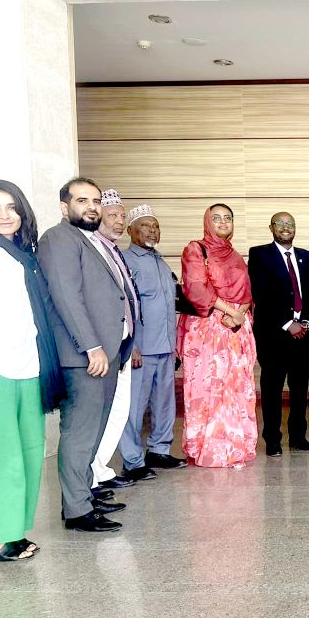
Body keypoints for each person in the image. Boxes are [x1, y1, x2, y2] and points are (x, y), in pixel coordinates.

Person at [0, 180, 65, 561]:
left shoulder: (20, 251)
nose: (4, 215)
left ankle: (11, 529)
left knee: (28, 448)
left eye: (11, 207)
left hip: (27, 361)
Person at [38, 177, 136, 532]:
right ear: (65, 207)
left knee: (93, 432)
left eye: (95, 200)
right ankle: (77, 510)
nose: (92, 206)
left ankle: (83, 493)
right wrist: (92, 346)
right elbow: (67, 297)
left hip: (107, 354)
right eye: (82, 200)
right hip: (85, 357)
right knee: (80, 433)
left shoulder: (88, 240)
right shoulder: (58, 239)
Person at [178, 203, 257, 468]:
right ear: (207, 222)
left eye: (228, 218)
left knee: (235, 387)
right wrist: (229, 311)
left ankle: (236, 444)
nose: (223, 222)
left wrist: (240, 312)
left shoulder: (234, 255)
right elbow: (196, 288)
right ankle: (210, 446)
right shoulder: (195, 249)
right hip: (208, 330)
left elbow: (248, 291)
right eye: (217, 218)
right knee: (209, 386)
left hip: (236, 328)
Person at [119, 204, 187, 478]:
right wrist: (131, 345)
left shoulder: (161, 261)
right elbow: (122, 306)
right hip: (141, 349)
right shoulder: (125, 261)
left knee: (164, 404)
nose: (152, 231)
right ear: (130, 230)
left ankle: (159, 450)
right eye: (146, 226)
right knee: (135, 407)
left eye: (156, 226)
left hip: (165, 348)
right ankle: (133, 461)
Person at [248, 212, 309, 456]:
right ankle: (273, 440)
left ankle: (298, 437)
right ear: (271, 228)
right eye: (281, 224)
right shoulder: (259, 254)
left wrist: (307, 323)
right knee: (272, 390)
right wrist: (288, 323)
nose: (286, 228)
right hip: (274, 335)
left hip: (303, 336)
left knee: (299, 389)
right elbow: (261, 295)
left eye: (290, 224)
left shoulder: (307, 257)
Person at [88, 190, 143, 491]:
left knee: (119, 410)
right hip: (103, 348)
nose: (119, 221)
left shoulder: (113, 250)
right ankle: (91, 477)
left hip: (122, 344)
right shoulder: (94, 249)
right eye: (113, 215)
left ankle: (101, 469)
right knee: (102, 413)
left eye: (122, 215)